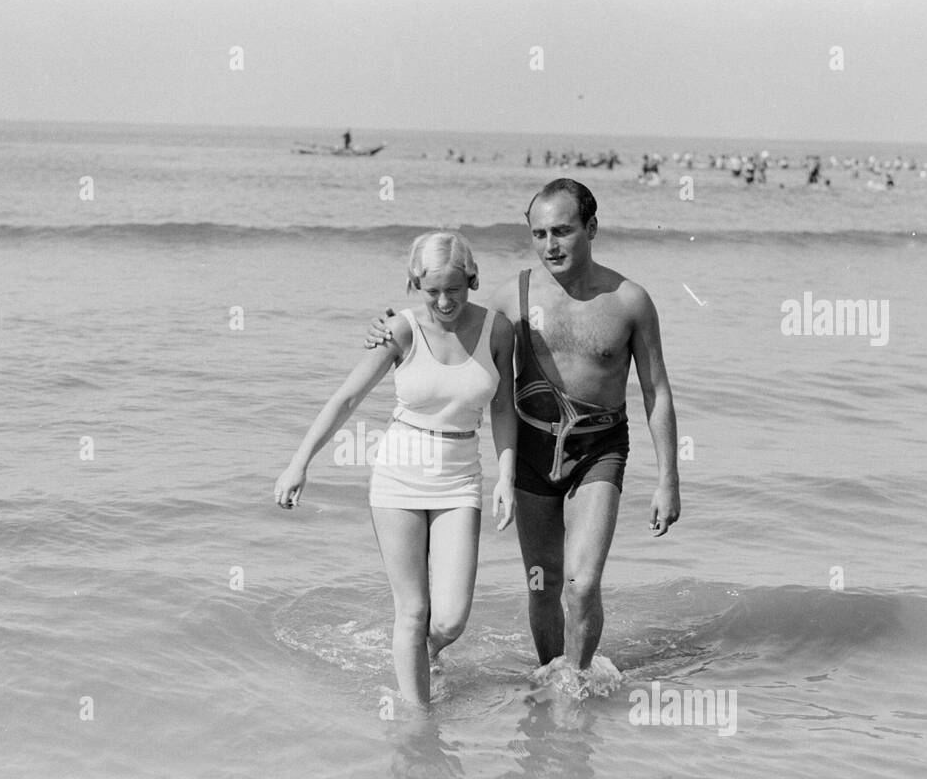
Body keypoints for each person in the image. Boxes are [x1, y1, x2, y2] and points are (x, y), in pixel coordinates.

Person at [365, 181, 680, 692]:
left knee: (581, 585)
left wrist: (669, 478)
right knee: (543, 586)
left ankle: (571, 688)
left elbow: (657, 391)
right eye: (539, 233)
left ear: (591, 228)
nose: (551, 244)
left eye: (563, 231)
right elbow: (447, 319)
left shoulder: (630, 301)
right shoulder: (515, 297)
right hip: (531, 450)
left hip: (599, 450)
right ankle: (548, 676)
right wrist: (390, 328)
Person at [275, 232, 518, 706]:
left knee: (450, 620)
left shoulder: (499, 331)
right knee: (413, 610)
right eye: (432, 291)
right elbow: (346, 398)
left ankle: (422, 656)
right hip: (399, 476)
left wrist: (506, 477)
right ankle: (417, 719)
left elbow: (504, 408)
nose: (445, 301)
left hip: (460, 478)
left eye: (455, 289)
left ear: (472, 279)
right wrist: (298, 462)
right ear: (415, 284)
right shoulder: (400, 331)